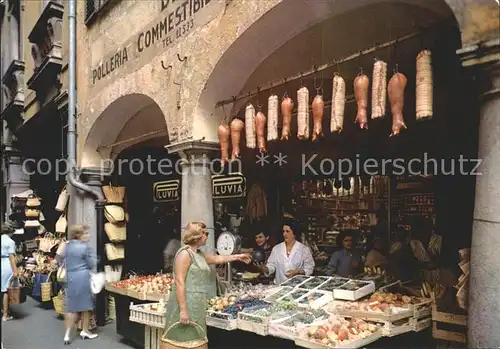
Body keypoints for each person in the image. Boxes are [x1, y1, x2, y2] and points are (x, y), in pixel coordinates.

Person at [163, 222, 250, 342]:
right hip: (185, 302)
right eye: (205, 233)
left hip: (197, 304)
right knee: (182, 339)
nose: (207, 236)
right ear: (197, 236)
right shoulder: (185, 254)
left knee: (196, 339)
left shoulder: (199, 254)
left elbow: (217, 258)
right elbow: (179, 282)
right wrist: (183, 310)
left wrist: (238, 257)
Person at [63, 225, 98, 345]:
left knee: (72, 307)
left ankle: (67, 335)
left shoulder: (67, 246)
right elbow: (91, 264)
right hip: (82, 277)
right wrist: (95, 258)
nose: (88, 235)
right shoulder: (85, 248)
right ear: (79, 235)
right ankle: (85, 330)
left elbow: (62, 260)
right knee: (86, 305)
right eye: (86, 233)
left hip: (71, 276)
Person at [255, 219, 315, 284]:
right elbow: (271, 266)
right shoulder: (277, 249)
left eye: (287, 231)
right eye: (283, 231)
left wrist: (297, 272)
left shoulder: (304, 249)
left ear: (294, 232)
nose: (284, 234)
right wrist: (264, 268)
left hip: (297, 286)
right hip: (280, 285)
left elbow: (309, 268)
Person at [1, 223, 17, 321]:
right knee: (5, 290)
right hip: (6, 264)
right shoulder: (10, 242)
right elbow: (11, 258)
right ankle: (5, 315)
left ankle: (3, 311)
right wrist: (15, 271)